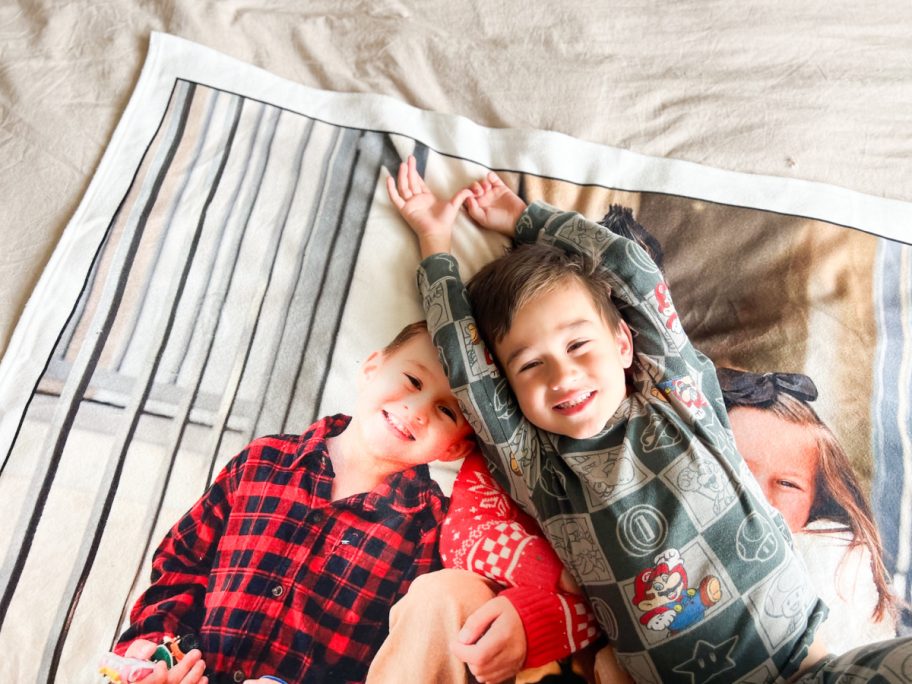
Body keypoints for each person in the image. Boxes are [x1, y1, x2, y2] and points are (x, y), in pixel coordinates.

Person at [386, 155, 912, 683]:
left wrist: (526, 218)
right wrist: (436, 242)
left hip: (811, 663)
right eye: (530, 365)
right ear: (510, 387)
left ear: (622, 343)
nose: (563, 375)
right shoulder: (542, 472)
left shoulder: (678, 398)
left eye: (578, 345)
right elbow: (466, 365)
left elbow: (632, 270)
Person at [112, 321, 477, 684]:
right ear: (371, 369)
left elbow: (397, 659)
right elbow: (180, 564)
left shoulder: (430, 528)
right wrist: (156, 647)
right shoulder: (262, 461)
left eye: (447, 411)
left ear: (456, 447)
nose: (418, 410)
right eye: (413, 380)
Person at [367, 447, 607, 684]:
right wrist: (564, 579)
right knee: (444, 595)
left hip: (601, 631)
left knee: (617, 664)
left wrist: (546, 615)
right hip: (517, 619)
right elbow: (464, 537)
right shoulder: (501, 450)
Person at [719, 367, 897, 653]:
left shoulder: (831, 559)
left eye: (787, 484)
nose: (759, 498)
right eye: (739, 473)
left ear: (819, 501)